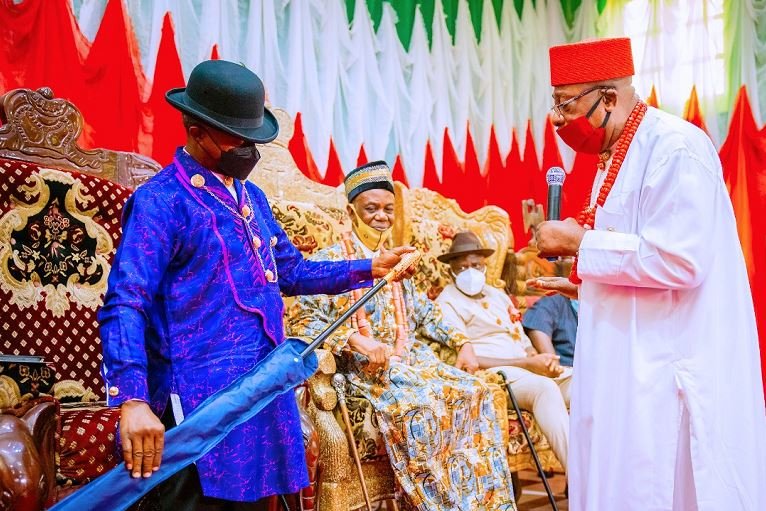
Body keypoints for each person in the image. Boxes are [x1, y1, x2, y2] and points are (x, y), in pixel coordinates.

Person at [98, 60, 412, 511]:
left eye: (253, 138)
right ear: (196, 129)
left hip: (262, 388)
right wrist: (131, 399)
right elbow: (126, 302)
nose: (249, 149)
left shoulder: (252, 198)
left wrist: (370, 266)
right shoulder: (161, 201)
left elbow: (292, 273)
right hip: (198, 400)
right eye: (236, 136)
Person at [532, 37, 766, 510]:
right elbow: (635, 258)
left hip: (665, 367)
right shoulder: (615, 155)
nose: (558, 120)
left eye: (565, 104)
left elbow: (681, 260)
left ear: (609, 97)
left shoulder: (674, 148)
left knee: (659, 485)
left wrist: (579, 243)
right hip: (625, 361)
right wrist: (584, 282)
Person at [287, 162, 516, 511]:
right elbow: (302, 320)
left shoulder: (400, 263)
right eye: (372, 208)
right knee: (421, 407)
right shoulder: (330, 261)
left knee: (479, 392)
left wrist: (462, 343)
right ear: (351, 211)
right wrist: (353, 338)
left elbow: (426, 312)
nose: (381, 216)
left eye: (388, 209)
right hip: (364, 372)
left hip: (413, 362)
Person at [435, 231, 570, 471]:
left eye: (476, 265)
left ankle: (610, 476)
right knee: (545, 389)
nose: (470, 272)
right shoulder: (447, 302)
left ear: (485, 266)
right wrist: (528, 364)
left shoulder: (497, 294)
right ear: (451, 271)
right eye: (463, 267)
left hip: (529, 368)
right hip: (496, 376)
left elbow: (520, 336)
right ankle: (582, 480)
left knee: (587, 384)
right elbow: (466, 357)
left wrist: (539, 359)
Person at [522, 294, 578, 367]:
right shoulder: (555, 301)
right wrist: (554, 365)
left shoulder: (593, 308)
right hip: (567, 369)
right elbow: (538, 325)